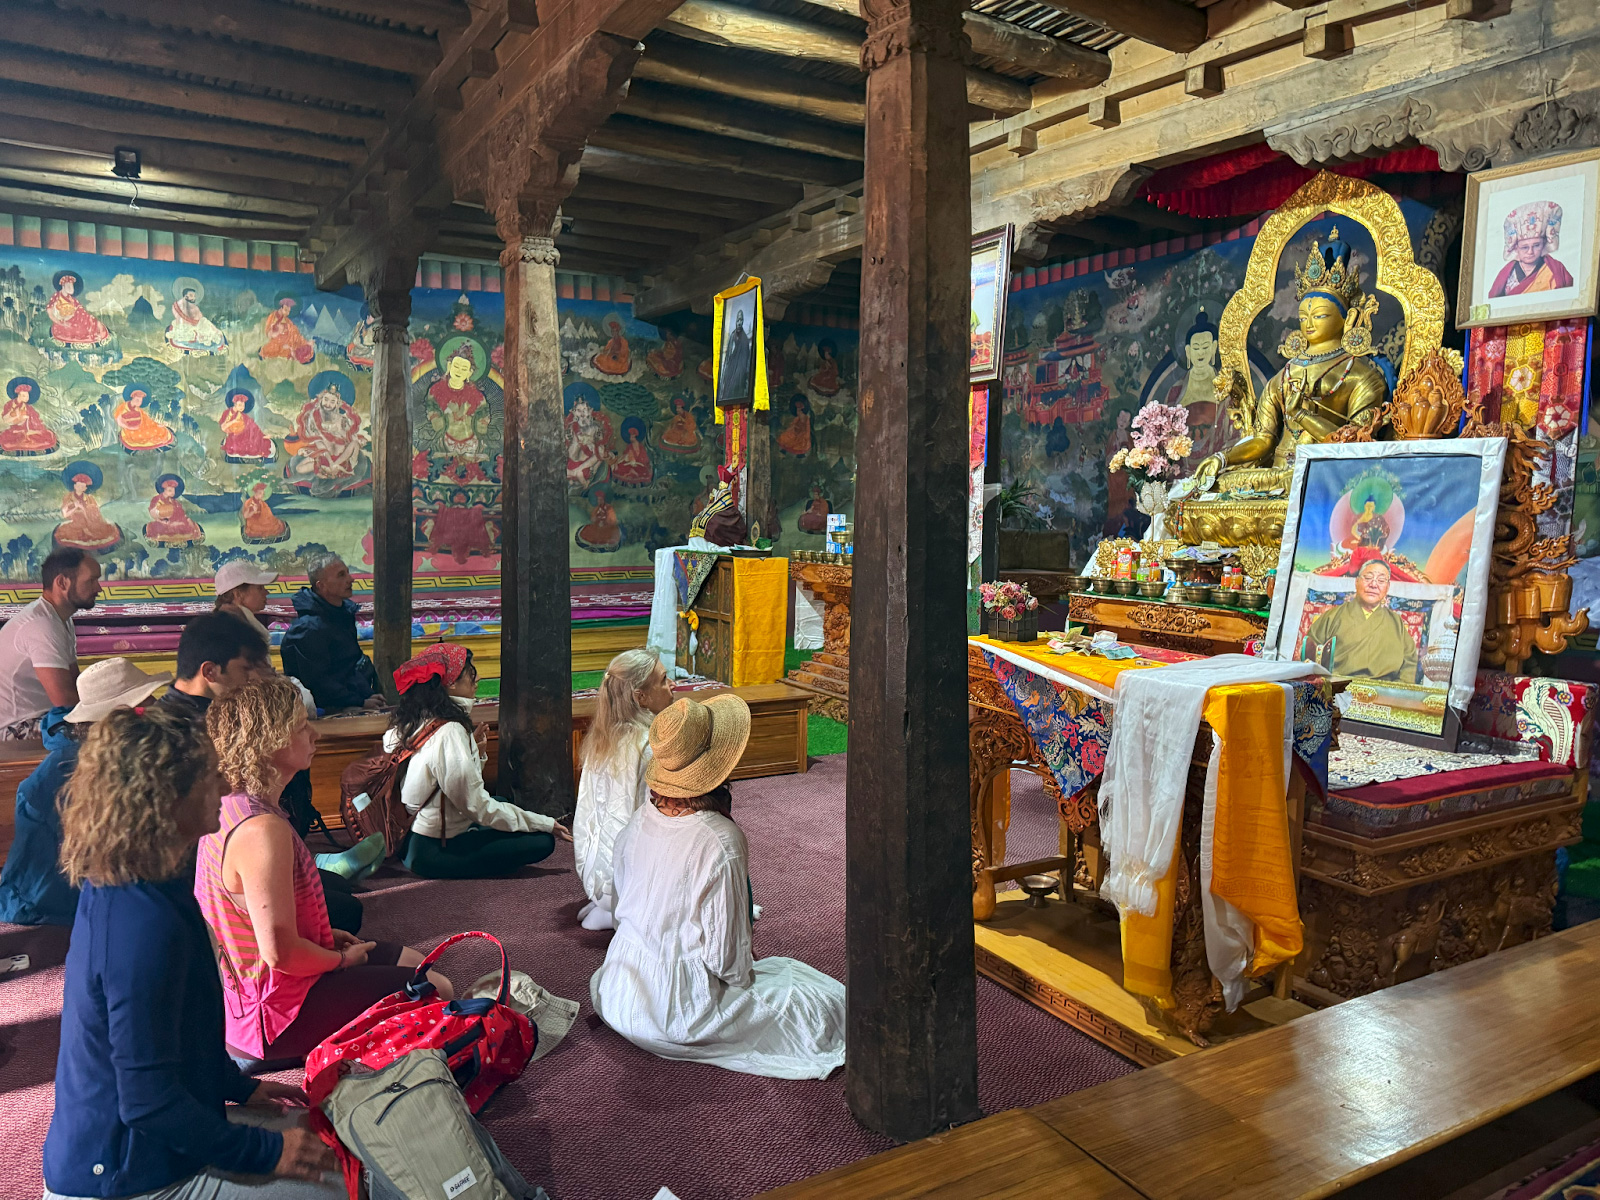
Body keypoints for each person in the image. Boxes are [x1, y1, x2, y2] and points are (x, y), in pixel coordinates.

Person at [43, 705, 342, 1200]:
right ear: (169, 799)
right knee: (345, 1186)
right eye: (210, 776)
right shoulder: (141, 927)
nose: (226, 787)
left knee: (330, 1139)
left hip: (151, 1141)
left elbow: (175, 1032)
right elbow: (147, 1104)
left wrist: (237, 1085)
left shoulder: (143, 877)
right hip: (123, 1176)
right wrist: (267, 1155)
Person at [591, 695, 846, 1079]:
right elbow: (727, 961)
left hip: (617, 990)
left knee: (793, 979)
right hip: (677, 1012)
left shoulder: (637, 821)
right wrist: (748, 980)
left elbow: (623, 907)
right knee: (821, 1000)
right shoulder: (720, 839)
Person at [197, 676, 447, 1063]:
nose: (313, 734)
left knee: (416, 963)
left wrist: (323, 936)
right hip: (276, 1016)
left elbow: (255, 919)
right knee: (437, 991)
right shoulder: (261, 830)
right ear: (270, 743)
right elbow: (278, 953)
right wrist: (339, 961)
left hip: (269, 994)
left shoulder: (233, 805)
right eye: (301, 726)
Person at [164, 610, 374, 927]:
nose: (254, 680)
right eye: (246, 670)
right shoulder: (178, 734)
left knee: (339, 892)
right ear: (210, 671)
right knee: (344, 911)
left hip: (242, 847)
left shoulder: (207, 712)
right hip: (207, 873)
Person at [0, 658, 169, 927]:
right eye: (146, 707)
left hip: (67, 900)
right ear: (119, 719)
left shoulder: (96, 757)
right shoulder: (76, 773)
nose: (157, 714)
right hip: (48, 913)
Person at [385, 643, 569, 879]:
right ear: (450, 683)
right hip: (434, 850)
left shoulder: (418, 719)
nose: (477, 677)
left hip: (411, 838)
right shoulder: (450, 731)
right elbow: (477, 807)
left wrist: (474, 752)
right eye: (470, 672)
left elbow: (449, 785)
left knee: (501, 802)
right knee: (542, 841)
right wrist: (545, 823)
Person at [573, 649, 673, 931]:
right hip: (624, 882)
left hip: (593, 873)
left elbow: (587, 817)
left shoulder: (600, 737)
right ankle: (616, 910)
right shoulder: (649, 746)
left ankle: (604, 902)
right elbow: (655, 824)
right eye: (664, 680)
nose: (672, 685)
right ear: (640, 696)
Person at [0, 548, 100, 740]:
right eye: (91, 580)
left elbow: (76, 683)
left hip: (43, 717)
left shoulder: (60, 619)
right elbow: (65, 702)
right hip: (15, 728)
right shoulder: (41, 624)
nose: (99, 588)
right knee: (113, 734)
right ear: (62, 582)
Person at [279, 554, 382, 713]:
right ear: (321, 586)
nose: (350, 579)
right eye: (341, 575)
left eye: (347, 573)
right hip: (322, 707)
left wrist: (368, 696)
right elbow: (318, 683)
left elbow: (349, 666)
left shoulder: (342, 614)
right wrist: (360, 702)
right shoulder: (308, 629)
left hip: (348, 697)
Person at [1305, 559, 1419, 682]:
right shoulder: (1332, 617)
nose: (1374, 585)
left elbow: (1409, 663)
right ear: (1357, 582)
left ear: (1387, 587)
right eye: (1368, 578)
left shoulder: (1397, 623)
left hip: (1383, 694)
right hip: (1336, 691)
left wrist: (1396, 692)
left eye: (1381, 581)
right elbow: (1309, 652)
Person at [1489, 201, 1575, 298]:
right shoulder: (1506, 273)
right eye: (1524, 247)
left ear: (1543, 245)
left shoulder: (1556, 269)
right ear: (1516, 248)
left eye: (1536, 245)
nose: (1530, 252)